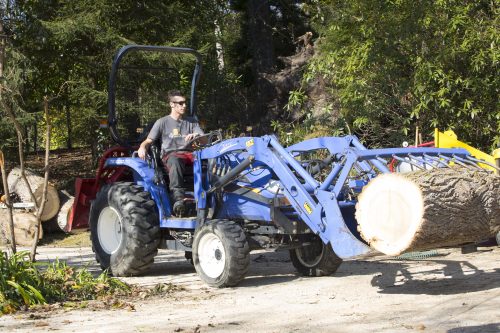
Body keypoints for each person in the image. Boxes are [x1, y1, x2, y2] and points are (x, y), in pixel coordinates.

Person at [138, 90, 204, 216]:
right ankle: (178, 199)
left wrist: (197, 135)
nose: (184, 105)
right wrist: (142, 147)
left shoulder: (192, 122)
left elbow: (204, 140)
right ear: (172, 104)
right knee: (175, 159)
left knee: (209, 160)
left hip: (191, 154)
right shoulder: (162, 122)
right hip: (171, 154)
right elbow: (148, 140)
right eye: (181, 103)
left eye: (185, 103)